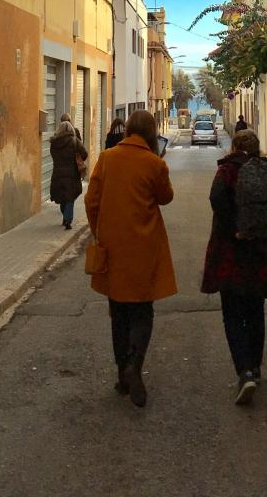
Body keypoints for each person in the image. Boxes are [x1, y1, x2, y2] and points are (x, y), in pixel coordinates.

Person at [84, 109, 176, 408]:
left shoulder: (108, 158)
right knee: (142, 310)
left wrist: (98, 230)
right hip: (145, 245)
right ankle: (134, 365)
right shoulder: (153, 162)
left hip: (113, 245)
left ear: (127, 130)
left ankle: (122, 377)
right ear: (150, 133)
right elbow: (165, 197)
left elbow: (91, 199)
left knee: (118, 312)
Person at [201, 129, 267, 405]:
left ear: (235, 146)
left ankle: (244, 371)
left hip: (231, 255)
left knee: (233, 315)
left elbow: (216, 201)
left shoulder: (227, 172)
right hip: (261, 252)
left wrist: (234, 229)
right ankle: (256, 367)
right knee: (255, 311)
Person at [49, 113, 87, 230]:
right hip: (72, 173)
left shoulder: (54, 143)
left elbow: (53, 155)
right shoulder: (75, 141)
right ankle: (68, 219)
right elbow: (84, 154)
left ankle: (65, 214)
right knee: (70, 196)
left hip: (58, 173)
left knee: (62, 196)